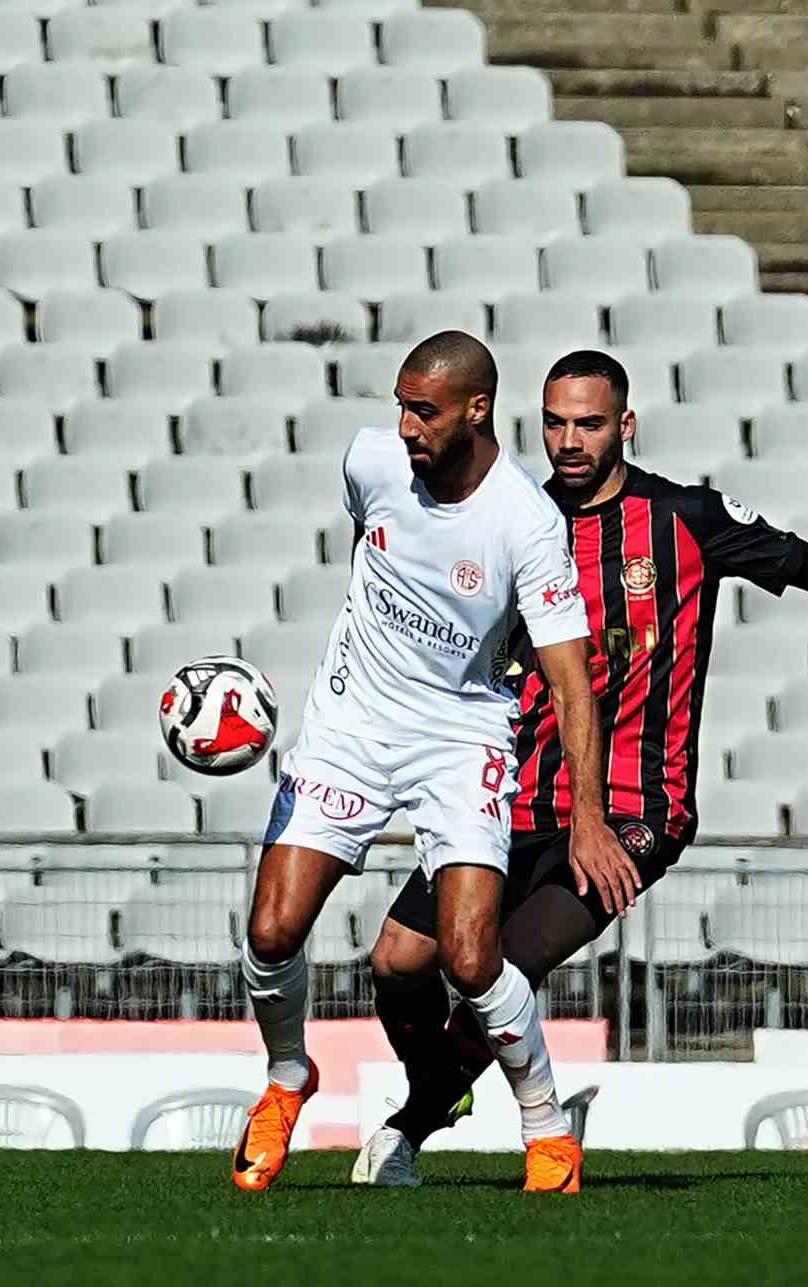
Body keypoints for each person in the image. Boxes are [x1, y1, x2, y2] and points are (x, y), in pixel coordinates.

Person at [351, 350, 808, 1187]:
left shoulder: (684, 517)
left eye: (588, 424)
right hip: (511, 799)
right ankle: (440, 1087)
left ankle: (412, 1129)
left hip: (632, 809)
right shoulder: (515, 519)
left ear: (624, 425)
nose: (569, 441)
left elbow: (801, 565)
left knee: (502, 966)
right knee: (396, 960)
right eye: (555, 423)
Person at [232, 331, 638, 1196]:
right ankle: (288, 1076)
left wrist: (589, 816)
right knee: (271, 931)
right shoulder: (370, 462)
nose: (407, 426)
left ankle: (546, 1126)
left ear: (477, 410)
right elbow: (372, 551)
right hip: (351, 723)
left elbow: (572, 685)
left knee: (469, 956)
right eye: (402, 407)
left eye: (425, 410)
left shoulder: (526, 522)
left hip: (460, 737)